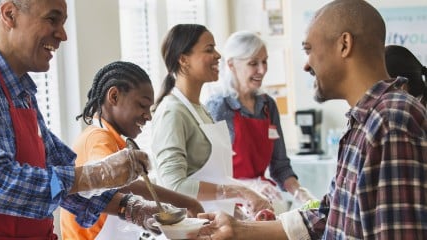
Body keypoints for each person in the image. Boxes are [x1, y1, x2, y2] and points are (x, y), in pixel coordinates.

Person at [0, 1, 154, 239]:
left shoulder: (21, 92)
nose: (63, 35)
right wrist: (93, 174)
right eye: (52, 20)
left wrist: (131, 208)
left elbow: (57, 182)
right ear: (9, 14)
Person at [196, 0, 427, 239]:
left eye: (309, 50)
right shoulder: (363, 120)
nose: (306, 65)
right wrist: (239, 229)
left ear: (344, 45)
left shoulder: (391, 120)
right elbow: (331, 213)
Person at [59, 61, 204, 240]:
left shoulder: (112, 138)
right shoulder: (98, 137)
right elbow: (115, 180)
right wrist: (187, 202)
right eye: (142, 105)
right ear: (114, 96)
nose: (148, 116)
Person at [149, 23, 273, 219]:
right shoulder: (172, 112)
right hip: (193, 228)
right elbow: (174, 186)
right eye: (209, 49)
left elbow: (214, 181)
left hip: (215, 225)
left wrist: (241, 216)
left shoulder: (200, 109)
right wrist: (241, 191)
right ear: (184, 60)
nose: (218, 55)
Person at [204, 31, 315, 207]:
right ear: (231, 65)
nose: (262, 70)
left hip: (262, 200)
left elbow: (280, 167)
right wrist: (250, 186)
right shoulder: (218, 107)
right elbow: (209, 175)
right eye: (253, 63)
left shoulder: (268, 105)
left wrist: (302, 194)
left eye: (265, 61)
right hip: (226, 205)